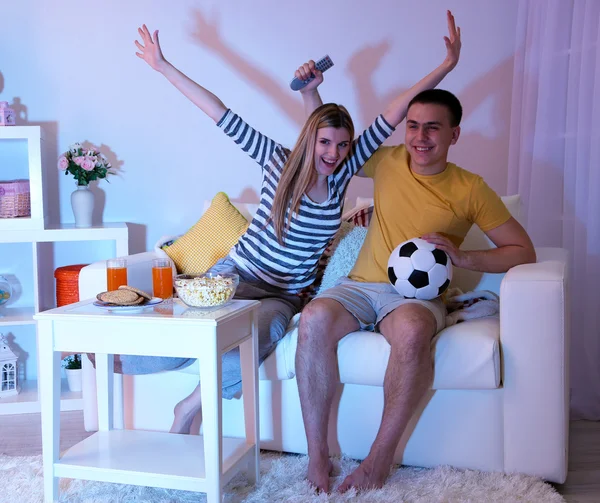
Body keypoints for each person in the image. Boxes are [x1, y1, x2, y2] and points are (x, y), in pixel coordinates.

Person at [131, 14, 460, 435]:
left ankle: (189, 407)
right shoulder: (277, 161)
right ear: (311, 140)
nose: (334, 153)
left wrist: (445, 67)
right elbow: (218, 111)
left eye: (343, 145)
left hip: (284, 293)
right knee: (187, 331)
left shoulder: (343, 173)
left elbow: (393, 114)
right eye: (325, 142)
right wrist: (163, 65)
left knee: (259, 334)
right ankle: (103, 352)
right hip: (234, 276)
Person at [295, 12, 536, 494]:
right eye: (413, 126)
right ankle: (317, 455)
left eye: (433, 128)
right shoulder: (386, 162)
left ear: (454, 135)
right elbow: (328, 142)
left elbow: (522, 250)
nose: (420, 137)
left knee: (411, 329)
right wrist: (311, 92)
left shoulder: (472, 188)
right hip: (360, 288)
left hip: (412, 298)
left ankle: (380, 460)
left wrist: (465, 259)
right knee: (314, 318)